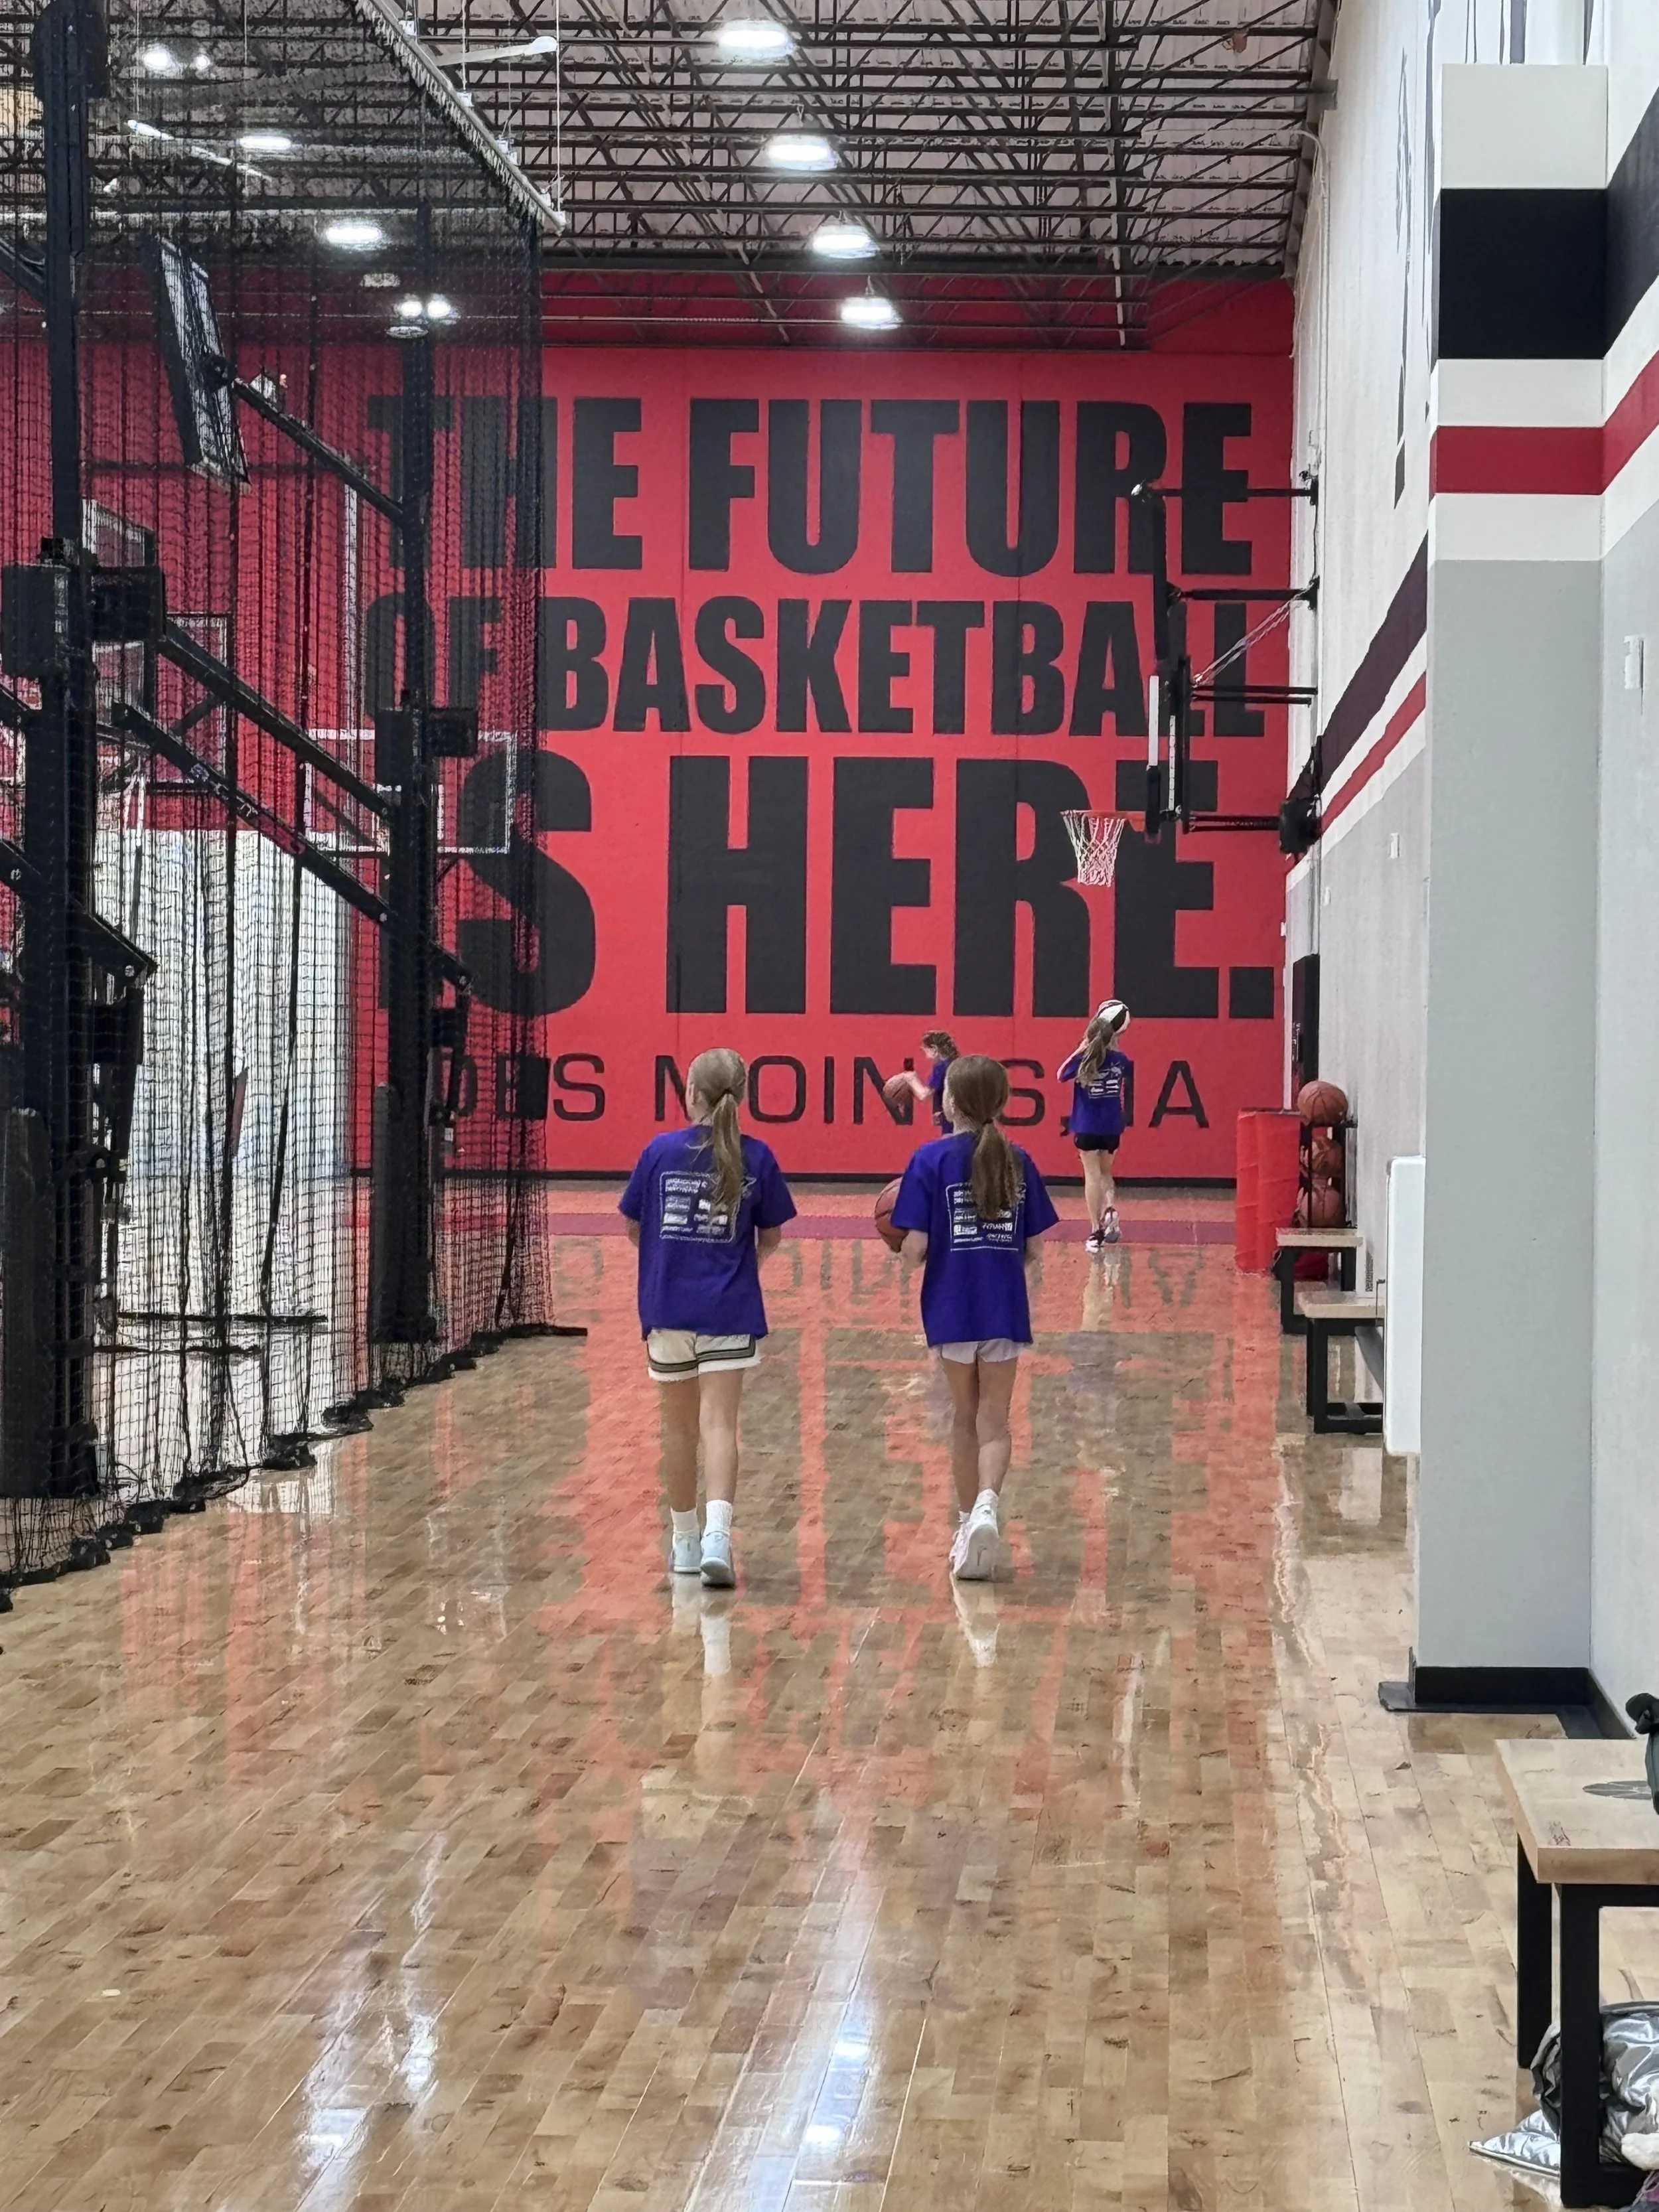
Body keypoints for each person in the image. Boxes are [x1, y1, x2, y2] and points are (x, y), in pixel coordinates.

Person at [619, 1047, 796, 1588]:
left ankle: (685, 1542)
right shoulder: (757, 1156)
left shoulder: (658, 1151)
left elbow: (633, 1226)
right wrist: (737, 1263)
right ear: (741, 1097)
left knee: (678, 1427)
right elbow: (771, 1236)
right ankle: (721, 1537)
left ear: (690, 1093)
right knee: (720, 1424)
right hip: (728, 1307)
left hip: (668, 1307)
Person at [889, 1055, 1058, 1582]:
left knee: (964, 1419)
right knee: (997, 1421)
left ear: (952, 1103)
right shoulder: (1020, 1160)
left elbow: (915, 1248)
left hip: (951, 1307)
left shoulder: (928, 1160)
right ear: (1002, 1104)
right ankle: (988, 1505)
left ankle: (967, 1524)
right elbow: (1032, 1248)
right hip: (1004, 1306)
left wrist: (904, 1250)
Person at [1058, 999, 1132, 1252]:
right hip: (1112, 1126)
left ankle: (1095, 1231)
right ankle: (1110, 1207)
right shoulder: (1122, 1061)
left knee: (1091, 1175)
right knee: (1106, 1173)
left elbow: (1060, 1075)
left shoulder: (1083, 1061)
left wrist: (1082, 1048)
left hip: (1087, 1126)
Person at [893, 1029, 959, 1129]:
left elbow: (924, 1095)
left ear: (934, 1050)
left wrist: (910, 1078)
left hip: (950, 1121)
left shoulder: (941, 1067)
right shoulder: (956, 1064)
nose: (926, 1055)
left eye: (926, 1050)